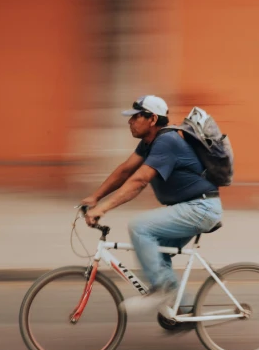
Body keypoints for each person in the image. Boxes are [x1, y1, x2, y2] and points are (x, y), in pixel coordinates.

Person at [81, 95, 223, 316]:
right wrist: (95, 197)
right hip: (192, 207)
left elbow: (139, 181)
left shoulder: (167, 142)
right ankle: (182, 308)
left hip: (200, 207)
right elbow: (125, 171)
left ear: (152, 119)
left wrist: (103, 208)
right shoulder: (149, 143)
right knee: (157, 252)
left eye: (135, 117)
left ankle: (160, 290)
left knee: (140, 227)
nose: (130, 121)